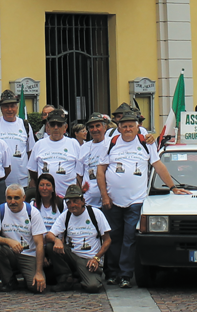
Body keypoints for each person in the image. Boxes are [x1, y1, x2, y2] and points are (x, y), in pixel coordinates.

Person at [97, 108, 187, 288]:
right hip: (113, 200)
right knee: (113, 237)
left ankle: (125, 275)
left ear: (138, 128)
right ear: (119, 128)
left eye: (131, 126)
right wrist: (104, 196)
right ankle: (112, 273)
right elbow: (101, 170)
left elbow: (158, 165)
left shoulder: (146, 143)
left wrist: (173, 187)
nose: (128, 129)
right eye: (124, 126)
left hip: (136, 201)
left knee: (130, 238)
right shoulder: (110, 143)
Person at [46, 184, 112, 293]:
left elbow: (107, 240)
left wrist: (97, 258)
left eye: (75, 201)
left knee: (92, 287)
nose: (72, 205)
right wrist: (56, 240)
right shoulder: (65, 216)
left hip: (89, 259)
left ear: (83, 201)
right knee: (50, 246)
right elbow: (49, 235)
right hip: (72, 255)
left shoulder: (95, 214)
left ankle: (81, 277)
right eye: (69, 202)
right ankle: (65, 279)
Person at [0, 183, 48, 293]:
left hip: (29, 255)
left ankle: (29, 276)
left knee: (36, 288)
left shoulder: (32, 212)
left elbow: (39, 244)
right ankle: (9, 281)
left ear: (23, 198)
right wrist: (8, 241)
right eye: (9, 198)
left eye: (16, 198)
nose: (12, 202)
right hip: (10, 253)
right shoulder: (0, 210)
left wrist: (39, 272)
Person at [29, 108, 82, 197]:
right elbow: (33, 171)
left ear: (65, 127)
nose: (56, 128)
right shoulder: (39, 144)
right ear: (48, 127)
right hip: (45, 197)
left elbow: (80, 173)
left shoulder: (73, 143)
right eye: (53, 124)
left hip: (68, 197)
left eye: (59, 124)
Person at [0, 89, 34, 189]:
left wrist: (33, 178)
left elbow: (31, 152)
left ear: (17, 107)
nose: (10, 109)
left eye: (12, 106)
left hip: (22, 181)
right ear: (1, 108)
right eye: (6, 106)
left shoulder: (25, 125)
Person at [79, 113, 108, 211]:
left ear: (105, 127)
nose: (95, 129)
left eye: (98, 126)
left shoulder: (112, 144)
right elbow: (79, 175)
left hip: (109, 200)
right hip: (89, 201)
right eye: (91, 127)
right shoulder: (84, 148)